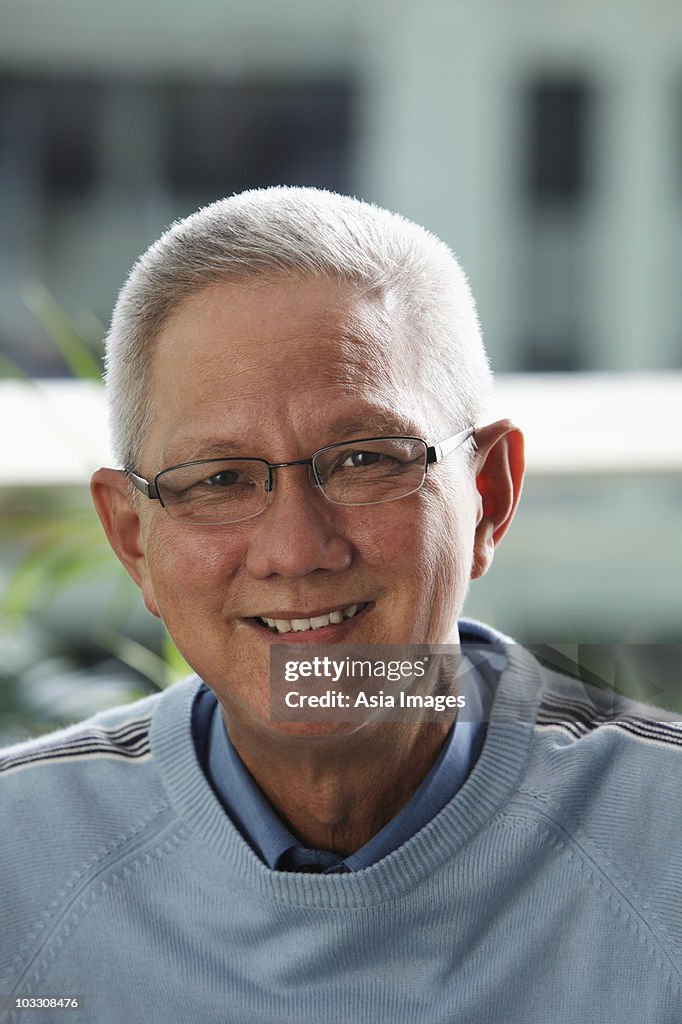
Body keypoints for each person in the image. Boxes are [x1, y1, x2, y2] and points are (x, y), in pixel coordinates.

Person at [1, 187, 681, 1024]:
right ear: (134, 539)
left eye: (364, 460)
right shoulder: (18, 865)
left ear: (489, 495)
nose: (296, 548)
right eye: (219, 479)